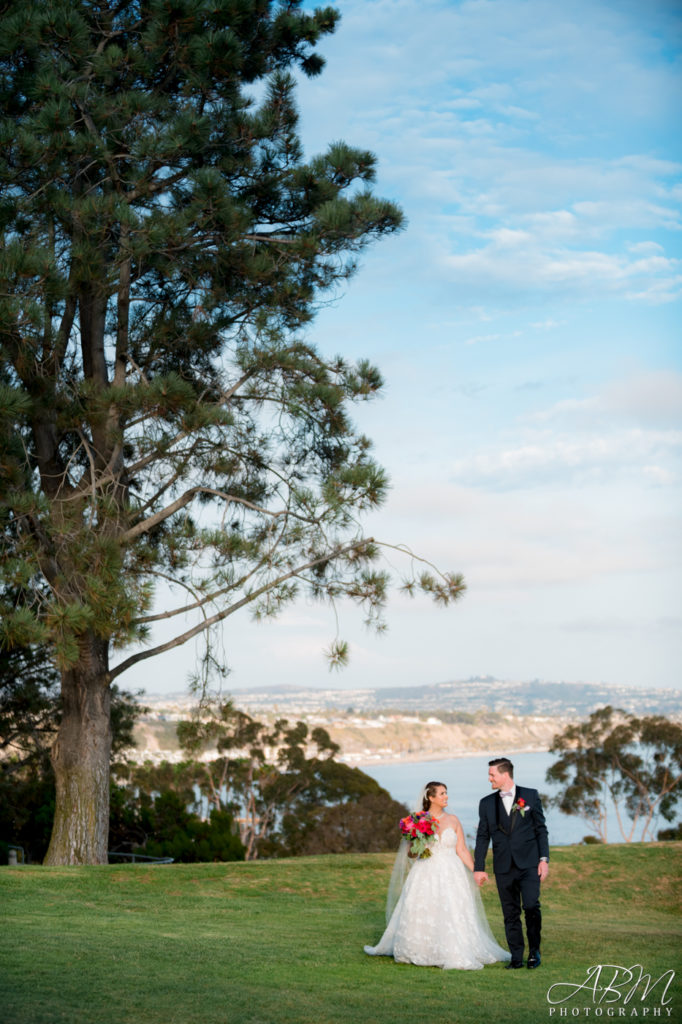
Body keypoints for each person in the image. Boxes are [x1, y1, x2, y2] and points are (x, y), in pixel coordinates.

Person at [364, 780, 511, 970]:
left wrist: (477, 870)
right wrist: (419, 841)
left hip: (452, 872)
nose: (446, 796)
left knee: (454, 909)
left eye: (446, 793)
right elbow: (411, 854)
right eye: (441, 794)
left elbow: (462, 850)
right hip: (426, 871)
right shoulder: (417, 821)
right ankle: (422, 949)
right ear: (430, 797)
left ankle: (455, 948)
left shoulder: (454, 820)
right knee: (426, 907)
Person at [474, 757, 550, 970]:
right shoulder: (486, 803)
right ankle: (516, 956)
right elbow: (482, 837)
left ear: (505, 774)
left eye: (492, 775)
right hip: (503, 866)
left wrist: (544, 859)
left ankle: (534, 952)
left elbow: (540, 830)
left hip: (529, 864)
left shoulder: (531, 796)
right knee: (510, 913)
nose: (489, 778)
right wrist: (479, 867)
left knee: (531, 906)